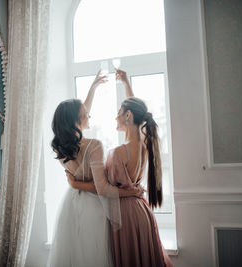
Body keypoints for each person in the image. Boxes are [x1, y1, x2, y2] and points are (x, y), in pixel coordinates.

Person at [67, 69, 173, 267]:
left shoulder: (118, 152)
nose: (116, 117)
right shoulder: (144, 144)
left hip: (124, 216)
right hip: (143, 211)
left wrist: (75, 183)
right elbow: (138, 113)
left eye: (118, 113)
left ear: (128, 116)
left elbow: (104, 189)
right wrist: (125, 84)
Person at [48, 71, 144, 267]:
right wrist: (130, 191)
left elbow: (79, 113)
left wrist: (93, 88)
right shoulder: (94, 146)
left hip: (71, 204)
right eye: (84, 113)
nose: (88, 113)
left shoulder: (58, 146)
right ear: (77, 118)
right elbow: (103, 189)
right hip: (93, 208)